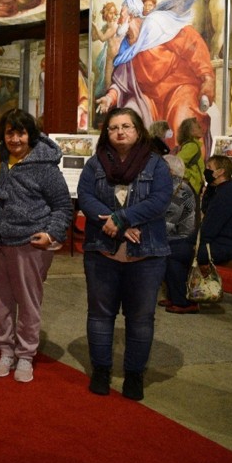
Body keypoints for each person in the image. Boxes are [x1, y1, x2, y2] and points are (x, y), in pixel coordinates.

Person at [77, 107, 171, 401]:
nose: (120, 132)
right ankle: (101, 370)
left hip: (145, 256)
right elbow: (86, 197)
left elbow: (159, 200)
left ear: (138, 130)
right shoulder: (95, 164)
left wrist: (122, 219)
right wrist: (116, 226)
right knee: (100, 316)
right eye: (113, 127)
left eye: (126, 126)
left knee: (140, 318)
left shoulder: (156, 166)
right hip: (101, 254)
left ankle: (134, 375)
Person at [0, 109, 71, 383]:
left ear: (31, 134)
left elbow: (63, 206)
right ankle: (5, 351)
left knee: (28, 302)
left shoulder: (45, 166)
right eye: (9, 133)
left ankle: (26, 354)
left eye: (21, 132)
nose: (15, 139)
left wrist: (50, 234)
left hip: (28, 243)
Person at [95, 0, 214, 155]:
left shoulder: (156, 25)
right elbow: (122, 84)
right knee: (131, 119)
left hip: (179, 88)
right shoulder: (126, 48)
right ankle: (137, 169)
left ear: (131, 16)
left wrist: (206, 77)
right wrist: (109, 98)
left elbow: (190, 41)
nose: (118, 20)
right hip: (148, 99)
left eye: (121, 15)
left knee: (182, 122)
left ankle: (182, 174)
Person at [159, 155, 199, 314]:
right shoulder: (175, 185)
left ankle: (183, 301)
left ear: (169, 170)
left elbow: (169, 219)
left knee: (169, 254)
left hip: (183, 239)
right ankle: (174, 296)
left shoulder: (181, 189)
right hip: (177, 236)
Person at [196, 155, 232, 272]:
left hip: (225, 245)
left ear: (220, 172)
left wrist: (202, 249)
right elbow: (206, 210)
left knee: (180, 253)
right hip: (224, 242)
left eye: (209, 167)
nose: (206, 170)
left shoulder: (227, 194)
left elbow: (211, 225)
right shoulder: (222, 189)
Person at [175, 116, 205, 196]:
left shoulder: (191, 145)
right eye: (198, 127)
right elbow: (176, 163)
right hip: (191, 186)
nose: (201, 128)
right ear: (190, 131)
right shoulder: (192, 146)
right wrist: (189, 176)